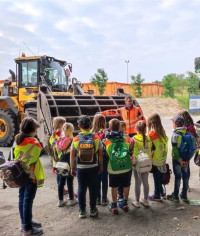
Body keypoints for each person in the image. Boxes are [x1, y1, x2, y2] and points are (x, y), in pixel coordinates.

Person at [14, 117, 44, 236]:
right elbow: (39, 155)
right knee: (28, 201)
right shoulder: (35, 144)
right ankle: (27, 230)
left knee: (22, 199)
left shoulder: (17, 141)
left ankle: (25, 223)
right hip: (31, 176)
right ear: (33, 130)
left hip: (20, 175)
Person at [70, 115, 103, 218]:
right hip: (93, 166)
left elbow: (72, 156)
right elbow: (100, 154)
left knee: (81, 188)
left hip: (81, 167)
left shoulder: (76, 139)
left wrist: (72, 168)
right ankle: (93, 209)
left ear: (79, 126)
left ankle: (82, 211)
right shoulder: (96, 138)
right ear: (91, 125)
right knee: (93, 188)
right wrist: (101, 166)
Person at [104, 118, 132, 214]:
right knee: (126, 185)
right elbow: (129, 151)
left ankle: (114, 205)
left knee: (114, 186)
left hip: (113, 167)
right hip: (126, 166)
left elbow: (107, 154)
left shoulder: (107, 140)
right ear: (120, 127)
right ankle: (125, 203)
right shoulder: (126, 139)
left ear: (110, 128)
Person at [167, 115, 189, 202]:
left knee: (178, 177)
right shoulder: (186, 132)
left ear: (175, 124)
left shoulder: (175, 134)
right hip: (186, 158)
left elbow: (175, 150)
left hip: (177, 160)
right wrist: (187, 159)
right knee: (186, 176)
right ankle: (184, 194)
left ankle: (175, 195)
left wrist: (180, 160)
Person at [147, 113, 168, 201]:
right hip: (162, 158)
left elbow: (149, 148)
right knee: (159, 177)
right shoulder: (163, 132)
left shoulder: (152, 135)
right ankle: (162, 192)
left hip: (155, 160)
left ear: (151, 123)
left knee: (156, 178)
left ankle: (156, 195)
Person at [56, 122, 78, 207]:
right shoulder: (71, 139)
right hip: (69, 161)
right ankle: (72, 199)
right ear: (71, 130)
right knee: (69, 181)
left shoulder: (61, 139)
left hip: (61, 160)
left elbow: (58, 148)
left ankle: (61, 200)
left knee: (61, 182)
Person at [132, 120, 152, 208]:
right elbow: (152, 151)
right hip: (147, 163)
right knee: (145, 181)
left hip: (137, 164)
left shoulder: (134, 139)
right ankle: (146, 200)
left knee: (137, 182)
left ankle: (137, 201)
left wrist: (133, 163)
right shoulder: (149, 139)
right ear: (145, 129)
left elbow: (133, 152)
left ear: (136, 129)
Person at [91, 114, 109, 206]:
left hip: (94, 159)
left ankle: (97, 198)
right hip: (104, 159)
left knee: (96, 180)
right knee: (104, 179)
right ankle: (104, 198)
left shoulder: (91, 133)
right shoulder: (106, 132)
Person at [178, 110, 198, 191]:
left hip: (184, 150)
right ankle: (187, 185)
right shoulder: (192, 127)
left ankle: (184, 186)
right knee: (187, 167)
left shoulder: (184, 128)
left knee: (183, 168)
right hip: (191, 150)